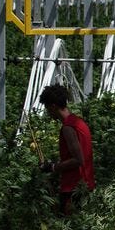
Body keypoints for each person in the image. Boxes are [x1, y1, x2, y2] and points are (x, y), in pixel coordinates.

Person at [38, 84, 96, 216]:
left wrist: (52, 167)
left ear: (53, 106)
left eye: (47, 108)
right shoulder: (79, 122)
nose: (48, 112)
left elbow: (77, 160)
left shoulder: (68, 127)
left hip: (74, 189)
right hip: (85, 186)